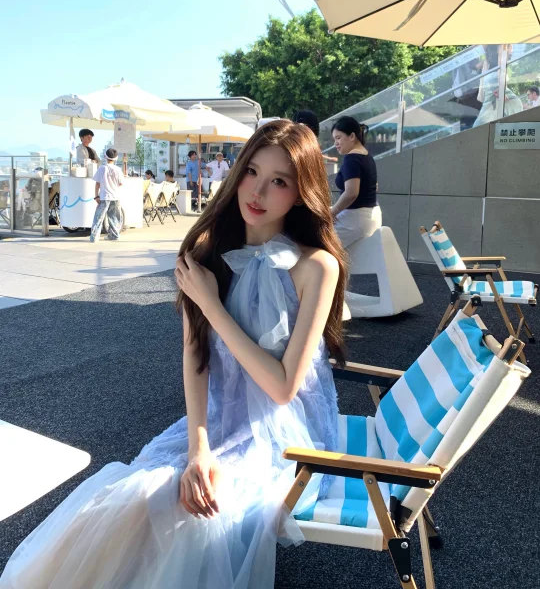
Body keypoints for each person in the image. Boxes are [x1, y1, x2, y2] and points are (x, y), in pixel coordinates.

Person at [0, 120, 346, 589]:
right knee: (132, 496)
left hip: (282, 435)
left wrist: (211, 305)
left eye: (279, 181)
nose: (258, 191)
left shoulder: (316, 267)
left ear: (302, 193)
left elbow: (283, 389)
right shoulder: (206, 253)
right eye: (251, 172)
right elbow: (196, 356)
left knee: (188, 517)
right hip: (217, 419)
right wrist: (198, 450)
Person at [330, 116, 381, 247]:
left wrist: (332, 212)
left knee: (316, 244)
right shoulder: (367, 156)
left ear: (352, 136)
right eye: (334, 139)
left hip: (356, 219)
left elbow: (351, 193)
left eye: (338, 138)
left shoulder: (352, 158)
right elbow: (375, 187)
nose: (335, 143)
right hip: (371, 215)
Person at [473, 45, 523, 127]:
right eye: (511, 47)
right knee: (515, 103)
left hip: (491, 82)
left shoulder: (491, 52)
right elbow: (501, 69)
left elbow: (484, 73)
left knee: (489, 112)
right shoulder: (501, 47)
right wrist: (501, 89)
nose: (512, 50)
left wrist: (482, 92)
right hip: (495, 82)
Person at [89, 148, 124, 243]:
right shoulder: (118, 170)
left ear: (105, 157)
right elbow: (121, 183)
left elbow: (97, 184)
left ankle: (94, 237)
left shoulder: (101, 168)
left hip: (104, 196)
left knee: (98, 217)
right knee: (114, 217)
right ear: (116, 158)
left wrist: (96, 196)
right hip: (115, 196)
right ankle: (114, 235)